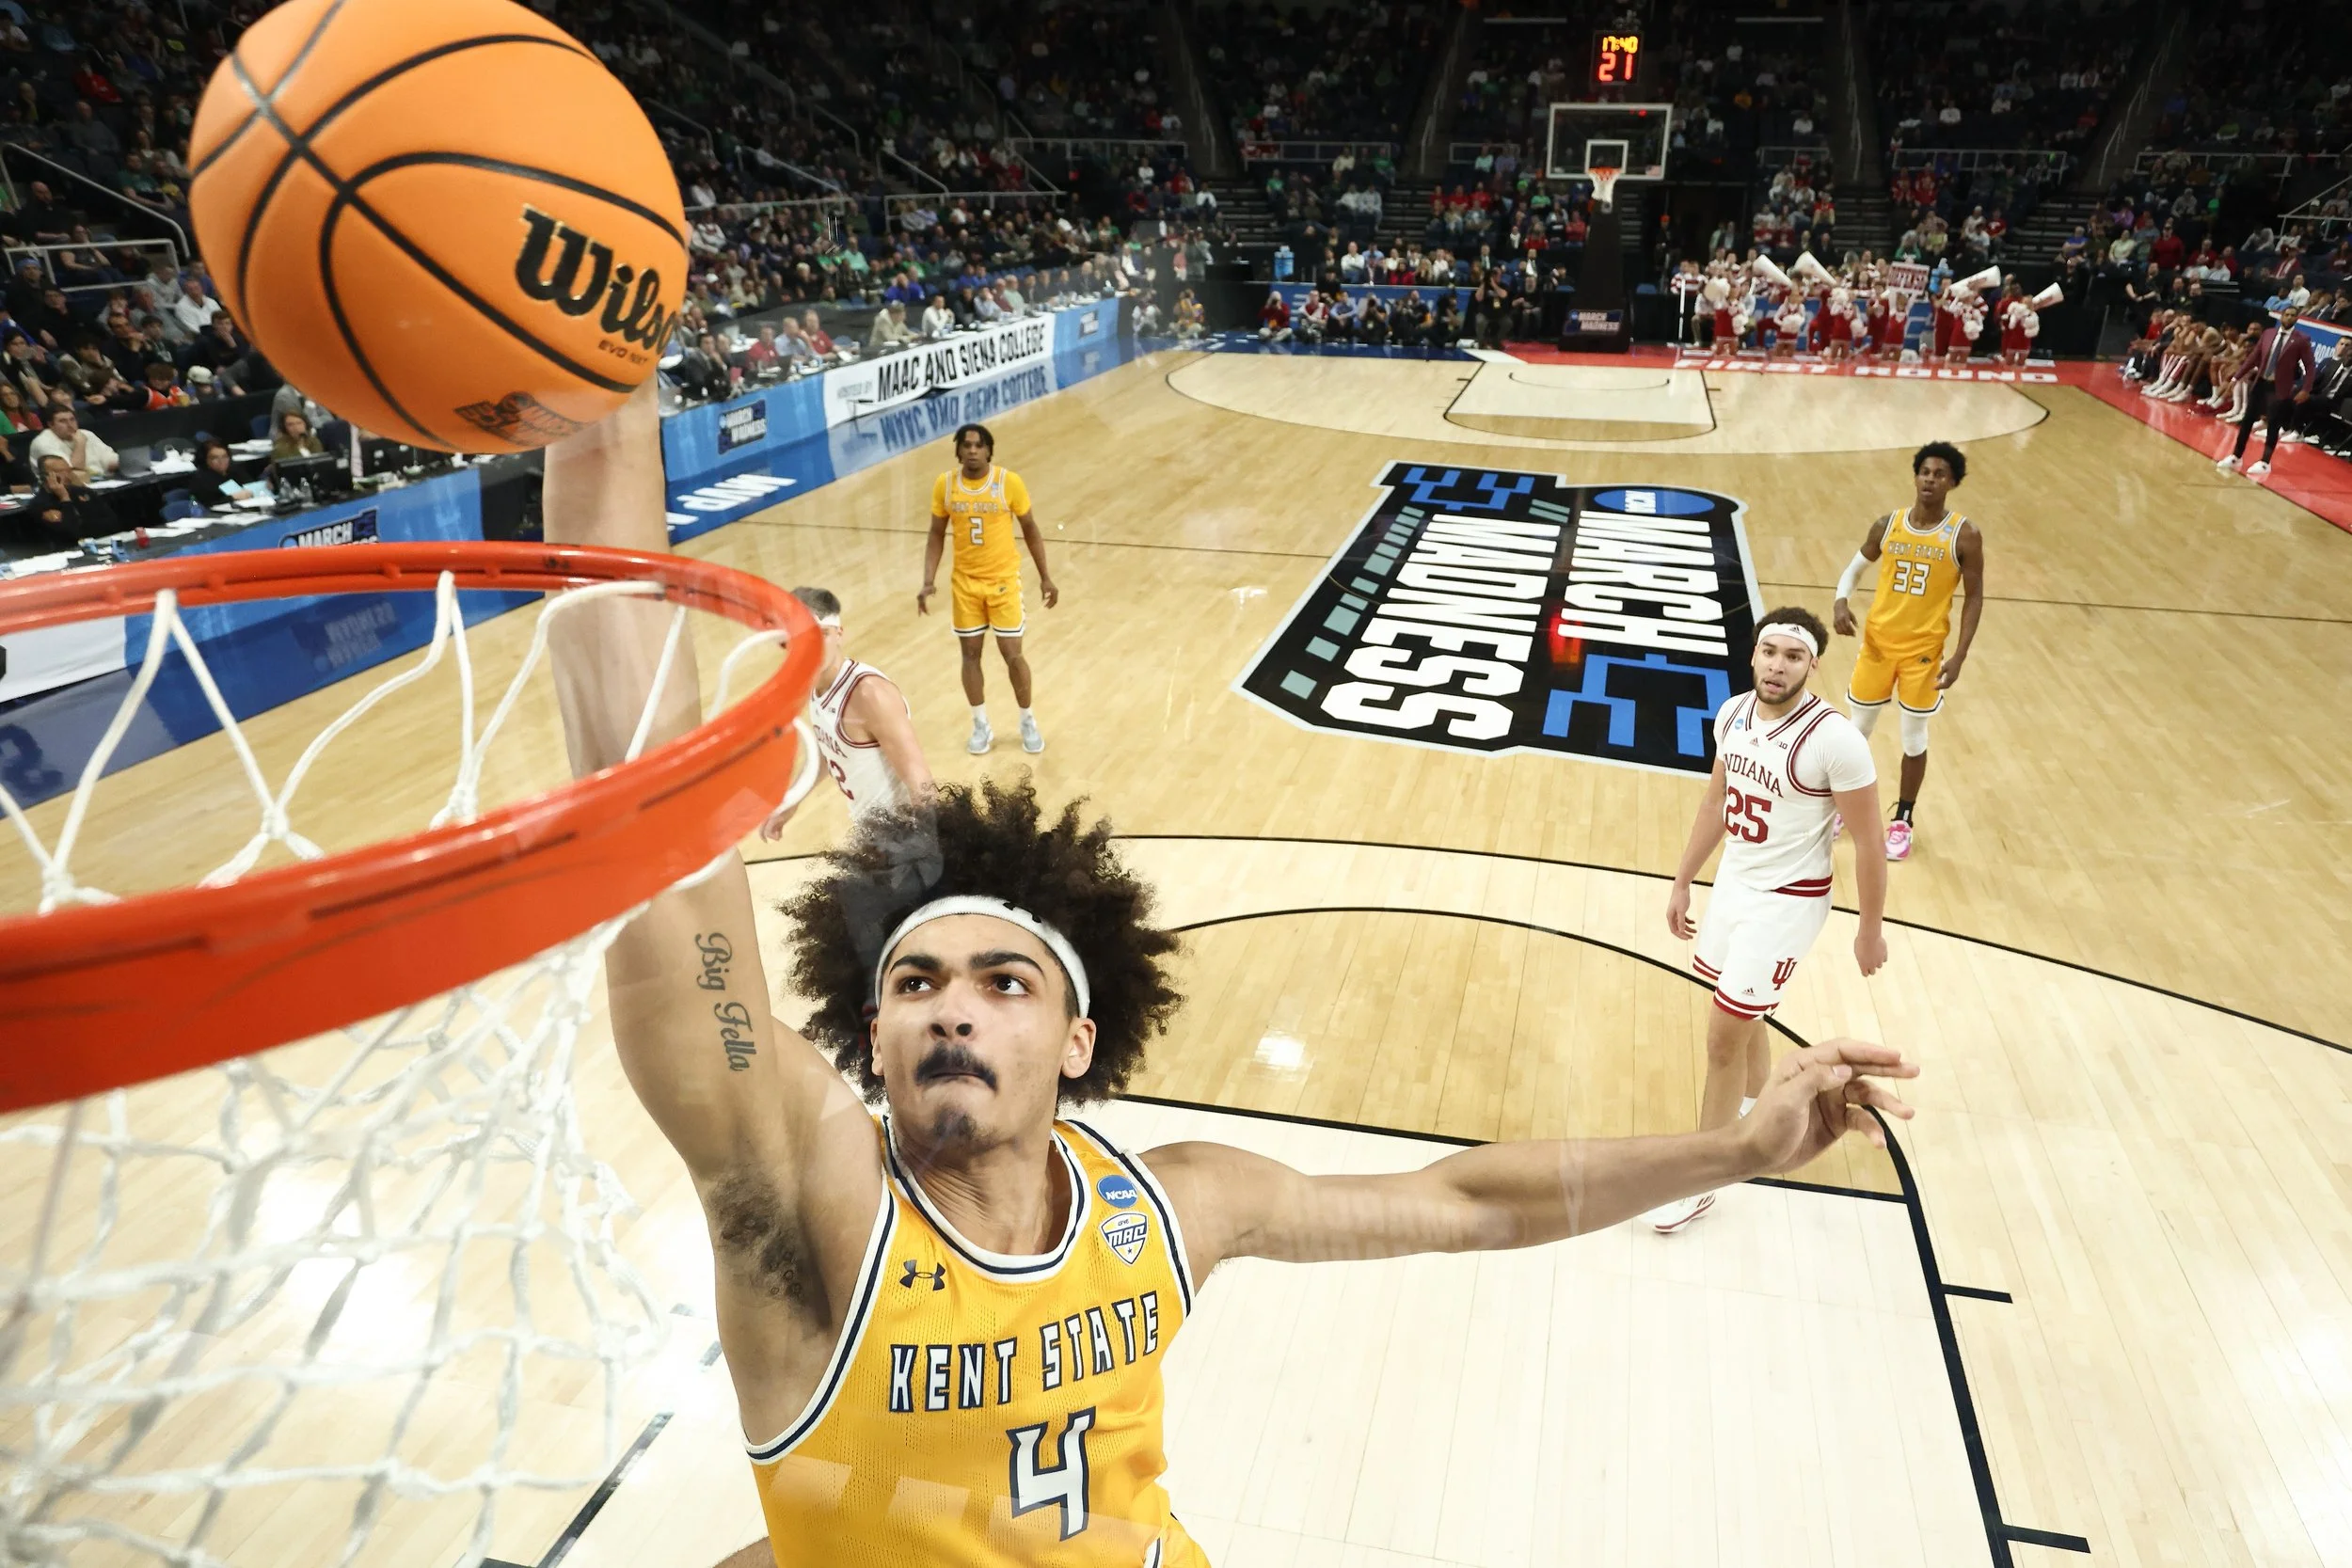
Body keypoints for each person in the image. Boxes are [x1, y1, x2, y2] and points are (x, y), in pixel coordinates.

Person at [536, 382, 1919, 1568]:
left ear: (1082, 1039)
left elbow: (1465, 1200)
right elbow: (649, 832)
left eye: (1004, 982)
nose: (950, 999)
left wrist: (1734, 1146)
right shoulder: (807, 1200)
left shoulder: (1165, 1210)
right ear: (874, 1033)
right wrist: (608, 416)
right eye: (915, 983)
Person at [1646, 608, 1889, 1232]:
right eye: (1769, 651)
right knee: (1741, 1009)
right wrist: (1682, 878)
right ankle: (1761, 1107)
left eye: (1792, 656)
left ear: (1812, 664)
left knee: (1722, 1036)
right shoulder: (1731, 713)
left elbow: (1868, 841)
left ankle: (1700, 1177)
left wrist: (1869, 928)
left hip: (1787, 902)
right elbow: (1715, 802)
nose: (1778, 665)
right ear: (1753, 654)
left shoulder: (1836, 740)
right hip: (1735, 886)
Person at [1831, 441, 1987, 862]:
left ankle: (1902, 819)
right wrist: (1841, 600)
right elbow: (1855, 567)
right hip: (1879, 644)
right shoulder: (1888, 525)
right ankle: (1842, 807)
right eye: (1925, 472)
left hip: (1923, 650)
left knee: (1913, 736)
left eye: (1940, 474)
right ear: (1915, 476)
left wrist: (1960, 656)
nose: (1930, 480)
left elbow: (1974, 598)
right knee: (1856, 730)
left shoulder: (1965, 535)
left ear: (1952, 482)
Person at [918, 423, 1059, 756]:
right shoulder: (946, 485)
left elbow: (1031, 529)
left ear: (989, 451)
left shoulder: (1008, 482)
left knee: (1013, 655)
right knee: (970, 656)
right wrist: (928, 580)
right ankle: (980, 723)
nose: (972, 450)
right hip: (965, 584)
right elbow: (936, 534)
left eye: (978, 446)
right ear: (957, 451)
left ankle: (1027, 719)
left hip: (1003, 582)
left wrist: (1046, 577)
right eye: (966, 445)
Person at [2217, 306, 2318, 480]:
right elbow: (2253, 358)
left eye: (2293, 315)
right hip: (2261, 383)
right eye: (2286, 314)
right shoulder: (2268, 333)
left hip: (2280, 387)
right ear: (2281, 316)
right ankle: (2236, 456)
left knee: (2273, 424)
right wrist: (2235, 379)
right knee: (2247, 420)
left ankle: (2265, 462)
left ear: (2297, 319)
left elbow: (2310, 366)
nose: (2289, 317)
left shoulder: (2301, 340)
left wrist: (2306, 389)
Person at [27, 452, 116, 542]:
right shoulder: (39, 505)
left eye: (68, 471)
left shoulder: (83, 492)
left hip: (102, 541)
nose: (68, 476)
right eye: (60, 472)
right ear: (46, 477)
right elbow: (71, 534)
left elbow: (113, 522)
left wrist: (84, 527)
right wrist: (65, 499)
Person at [27, 404, 118, 481]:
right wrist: (80, 444)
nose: (70, 425)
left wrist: (127, 462)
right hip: (65, 489)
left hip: (100, 481)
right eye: (62, 421)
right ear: (50, 425)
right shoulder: (42, 442)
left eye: (72, 419)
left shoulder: (86, 434)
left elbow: (109, 459)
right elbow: (72, 472)